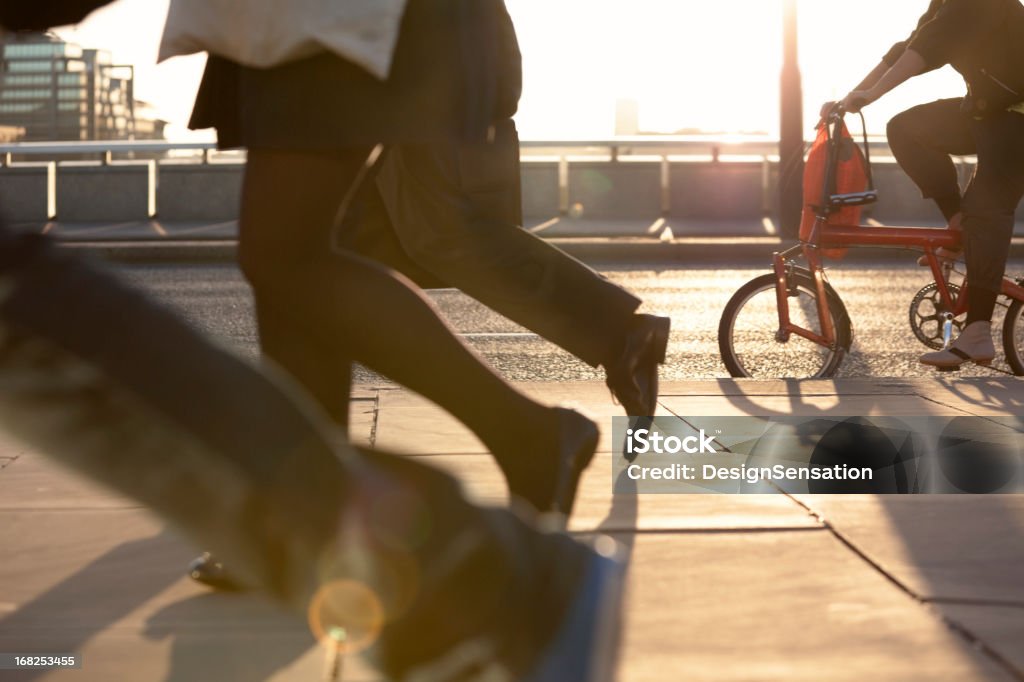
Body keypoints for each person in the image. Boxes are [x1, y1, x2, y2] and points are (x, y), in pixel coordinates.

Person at [0, 3, 624, 679]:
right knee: (290, 252)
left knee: (283, 253)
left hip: (331, 23)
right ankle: (338, 523)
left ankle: (487, 510)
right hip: (306, 27)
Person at [337, 3, 671, 419]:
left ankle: (610, 345)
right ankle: (310, 441)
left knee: (437, 239)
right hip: (393, 82)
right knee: (347, 258)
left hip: (409, 86)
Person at [830, 0, 1024, 370]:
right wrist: (849, 97)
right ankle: (958, 222)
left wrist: (871, 96)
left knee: (986, 209)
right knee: (907, 129)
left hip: (1018, 122)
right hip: (987, 112)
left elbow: (928, 48)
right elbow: (909, 45)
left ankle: (978, 332)